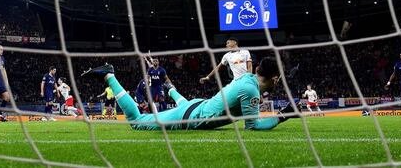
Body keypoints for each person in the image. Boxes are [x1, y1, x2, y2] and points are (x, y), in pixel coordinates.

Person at [82, 57, 296, 130]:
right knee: (137, 121)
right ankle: (110, 76)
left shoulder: (245, 80)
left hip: (196, 105)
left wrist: (172, 90)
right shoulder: (250, 89)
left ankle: (172, 90)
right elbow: (253, 126)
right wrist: (285, 115)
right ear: (274, 78)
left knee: (179, 100)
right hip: (193, 115)